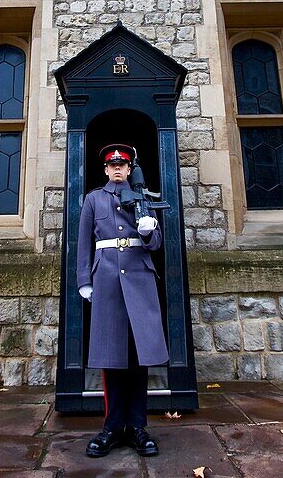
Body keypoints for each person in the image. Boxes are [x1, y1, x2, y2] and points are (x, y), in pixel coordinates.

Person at [76, 143, 168, 458]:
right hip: (107, 282)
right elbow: (83, 243)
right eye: (112, 165)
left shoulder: (142, 196)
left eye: (122, 165)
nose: (117, 169)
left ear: (129, 169)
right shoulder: (93, 199)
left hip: (139, 281)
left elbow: (156, 243)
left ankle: (137, 427)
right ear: (105, 169)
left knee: (138, 357)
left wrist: (147, 230)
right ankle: (113, 427)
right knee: (112, 357)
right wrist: (84, 281)